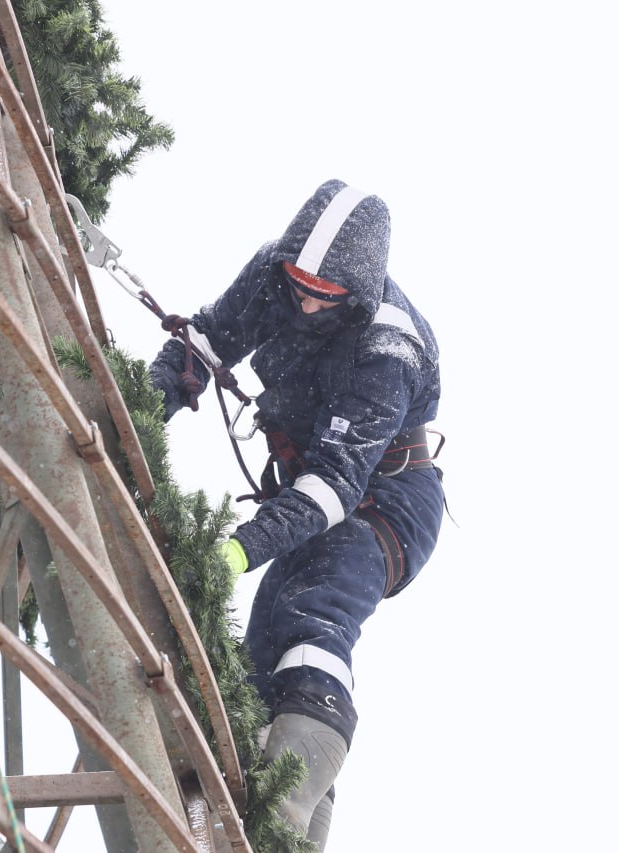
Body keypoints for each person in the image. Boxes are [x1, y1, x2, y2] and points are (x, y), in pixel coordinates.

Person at [149, 179, 444, 849]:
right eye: (299, 285)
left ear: (356, 296)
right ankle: (285, 831)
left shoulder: (387, 349)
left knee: (312, 612)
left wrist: (237, 550)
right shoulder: (271, 273)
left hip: (384, 502)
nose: (307, 301)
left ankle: (282, 816)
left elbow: (334, 486)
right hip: (308, 491)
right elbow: (205, 343)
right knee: (260, 665)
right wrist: (141, 410)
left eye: (325, 294)